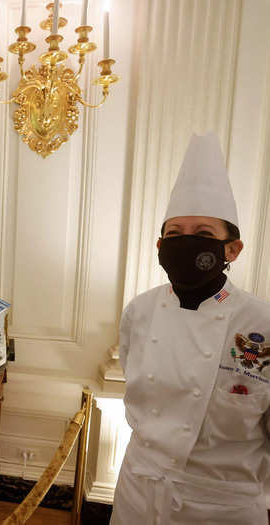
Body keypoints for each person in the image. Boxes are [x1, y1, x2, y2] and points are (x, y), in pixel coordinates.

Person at [111, 133, 270, 525]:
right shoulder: (139, 312)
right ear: (160, 245)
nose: (186, 244)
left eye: (203, 235)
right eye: (175, 235)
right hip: (138, 488)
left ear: (232, 250)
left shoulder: (261, 325)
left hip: (223, 503)